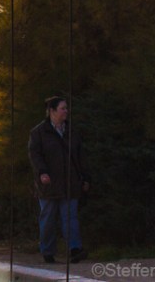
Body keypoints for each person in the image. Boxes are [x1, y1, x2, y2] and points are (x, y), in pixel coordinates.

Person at [28, 96, 90, 264]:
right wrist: (42, 172)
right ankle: (48, 251)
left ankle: (75, 249)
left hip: (70, 182)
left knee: (70, 217)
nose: (66, 111)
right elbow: (35, 156)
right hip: (49, 184)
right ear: (52, 111)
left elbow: (80, 157)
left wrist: (85, 177)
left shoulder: (72, 131)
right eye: (63, 108)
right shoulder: (38, 133)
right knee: (48, 218)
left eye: (66, 108)